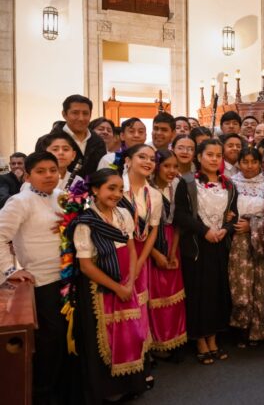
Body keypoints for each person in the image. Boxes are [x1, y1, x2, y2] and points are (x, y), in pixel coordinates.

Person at [0, 152, 75, 403]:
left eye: (53, 170)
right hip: (41, 281)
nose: (49, 175)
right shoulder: (20, 201)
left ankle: (65, 391)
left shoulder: (62, 197)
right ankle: (43, 393)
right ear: (28, 175)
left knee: (68, 336)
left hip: (68, 277)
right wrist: (11, 270)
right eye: (41, 171)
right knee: (49, 340)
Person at [70, 168, 149, 403]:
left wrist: (131, 280)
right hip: (101, 286)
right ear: (95, 190)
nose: (116, 194)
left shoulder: (123, 213)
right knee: (106, 337)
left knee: (131, 333)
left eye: (120, 189)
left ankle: (131, 383)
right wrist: (117, 287)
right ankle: (108, 390)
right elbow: (86, 266)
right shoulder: (85, 222)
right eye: (110, 188)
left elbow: (131, 249)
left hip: (127, 280)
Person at [174, 138, 237, 365]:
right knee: (199, 293)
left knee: (218, 292)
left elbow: (234, 214)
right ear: (199, 157)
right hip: (197, 246)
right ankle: (200, 340)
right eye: (209, 154)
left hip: (220, 245)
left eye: (218, 155)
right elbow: (180, 215)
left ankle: (214, 338)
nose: (214, 159)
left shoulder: (229, 184)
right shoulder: (187, 182)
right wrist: (205, 231)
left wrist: (226, 229)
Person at [118, 144, 161, 388]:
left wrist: (141, 262)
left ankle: (141, 360)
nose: (147, 162)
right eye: (141, 157)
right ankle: (121, 361)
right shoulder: (116, 187)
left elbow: (153, 231)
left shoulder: (153, 194)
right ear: (128, 160)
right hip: (118, 254)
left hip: (141, 256)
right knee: (120, 311)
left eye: (152, 159)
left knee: (140, 308)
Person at [229, 147, 264, 347]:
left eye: (254, 161)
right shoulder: (230, 183)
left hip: (262, 239)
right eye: (245, 161)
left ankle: (260, 330)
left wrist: (253, 225)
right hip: (237, 240)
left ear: (260, 163)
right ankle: (241, 328)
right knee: (241, 284)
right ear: (238, 163)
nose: (249, 166)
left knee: (262, 284)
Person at [148, 150, 187, 355]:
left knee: (174, 291)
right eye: (166, 166)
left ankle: (175, 338)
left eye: (175, 166)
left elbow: (179, 221)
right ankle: (157, 342)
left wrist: (173, 250)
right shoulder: (146, 188)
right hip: (151, 243)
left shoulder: (177, 185)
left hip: (173, 240)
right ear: (156, 166)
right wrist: (155, 253)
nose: (171, 170)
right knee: (156, 293)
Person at [36, 95, 107, 178]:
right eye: (75, 113)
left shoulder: (98, 142)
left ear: (90, 115)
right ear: (64, 114)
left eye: (85, 113)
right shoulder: (45, 142)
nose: (81, 118)